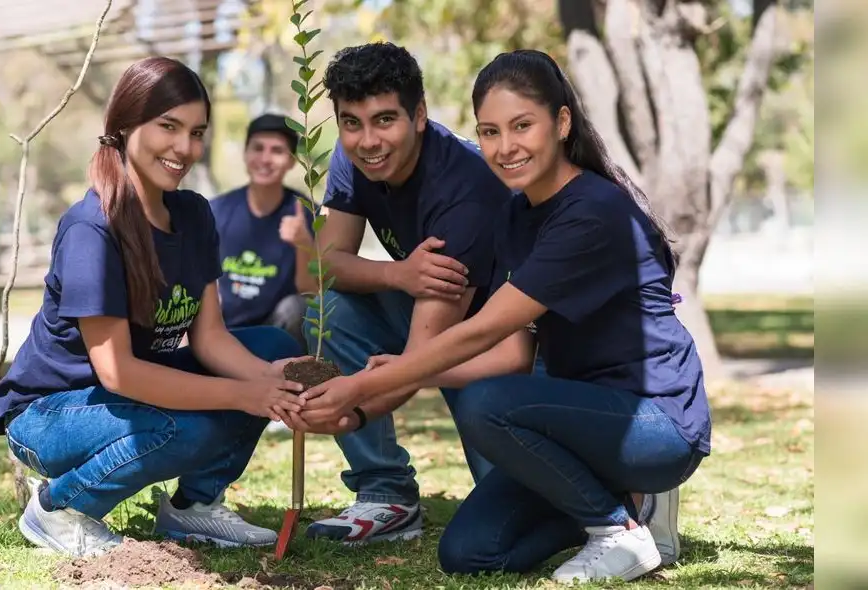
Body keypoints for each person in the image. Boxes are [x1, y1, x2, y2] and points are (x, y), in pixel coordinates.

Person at [289, 49, 710, 584]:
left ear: (561, 123)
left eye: (521, 126)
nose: (505, 148)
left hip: (654, 423)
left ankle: (616, 529)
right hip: (571, 417)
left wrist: (359, 392)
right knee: (469, 554)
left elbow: (484, 331)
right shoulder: (517, 210)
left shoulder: (591, 212)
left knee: (488, 406)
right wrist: (368, 398)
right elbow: (512, 352)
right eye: (490, 131)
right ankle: (627, 507)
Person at [0, 56, 309, 558]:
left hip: (128, 393)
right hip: (50, 414)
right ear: (125, 124)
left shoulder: (193, 213)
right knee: (186, 424)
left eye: (197, 132)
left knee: (273, 346)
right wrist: (245, 394)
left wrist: (273, 384)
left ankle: (193, 506)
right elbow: (117, 374)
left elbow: (210, 338)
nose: (185, 148)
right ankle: (59, 509)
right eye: (168, 127)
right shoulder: (92, 228)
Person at [295, 42, 516, 544]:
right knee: (331, 312)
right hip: (434, 314)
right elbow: (325, 266)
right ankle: (385, 493)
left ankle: (627, 483)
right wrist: (398, 275)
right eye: (351, 122)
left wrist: (349, 409)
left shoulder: (465, 188)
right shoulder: (355, 159)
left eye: (384, 120)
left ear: (419, 115)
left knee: (509, 520)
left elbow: (424, 355)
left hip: (503, 341)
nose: (368, 140)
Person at [211, 114, 315, 350]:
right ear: (245, 153)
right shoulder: (215, 211)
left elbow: (310, 292)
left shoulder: (306, 213)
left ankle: (294, 381)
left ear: (291, 161)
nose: (265, 159)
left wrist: (303, 243)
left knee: (299, 307)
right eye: (257, 148)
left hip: (273, 335)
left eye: (277, 151)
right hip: (222, 334)